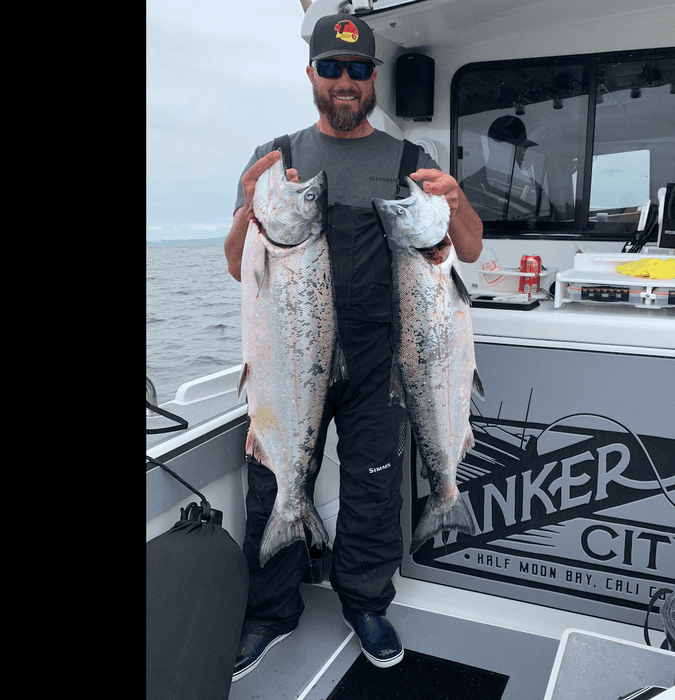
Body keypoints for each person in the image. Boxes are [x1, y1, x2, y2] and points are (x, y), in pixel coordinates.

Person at [222, 13, 483, 683]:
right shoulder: (275, 157)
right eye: (332, 68)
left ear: (373, 77)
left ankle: (365, 603)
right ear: (311, 73)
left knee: (374, 491)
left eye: (358, 69)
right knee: (271, 484)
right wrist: (247, 209)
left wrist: (455, 200)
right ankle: (268, 612)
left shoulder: (409, 161)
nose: (345, 81)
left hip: (381, 362)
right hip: (290, 354)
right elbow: (236, 267)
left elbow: (470, 248)